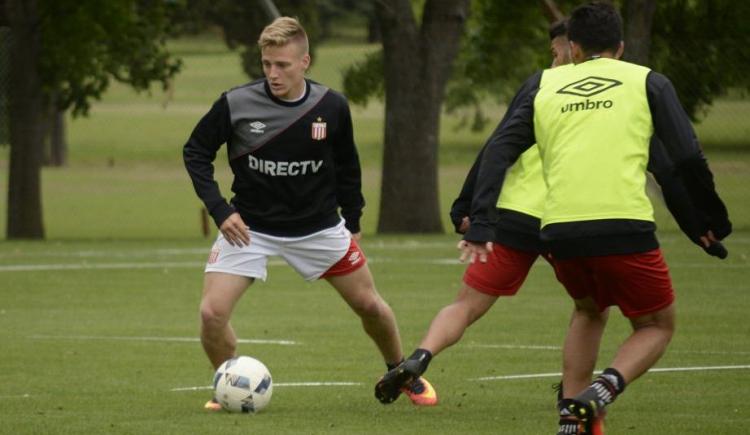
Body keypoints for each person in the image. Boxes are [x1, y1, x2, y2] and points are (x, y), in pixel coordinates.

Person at [374, 16, 726, 423]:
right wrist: (702, 220)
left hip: (543, 223)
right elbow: (673, 162)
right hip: (610, 222)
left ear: (571, 48)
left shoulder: (542, 86)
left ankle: (425, 358)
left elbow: (497, 148)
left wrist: (472, 212)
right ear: (621, 47)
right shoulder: (641, 85)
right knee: (647, 323)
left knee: (525, 306)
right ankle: (597, 390)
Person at [183, 16, 436, 410]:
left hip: (318, 227)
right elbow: (195, 152)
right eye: (266, 64)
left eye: (282, 64)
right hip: (249, 227)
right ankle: (228, 383)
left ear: (305, 62)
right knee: (211, 313)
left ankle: (401, 372)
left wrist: (353, 222)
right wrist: (220, 210)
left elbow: (348, 168)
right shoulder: (236, 103)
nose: (273, 73)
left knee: (370, 305)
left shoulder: (331, 107)